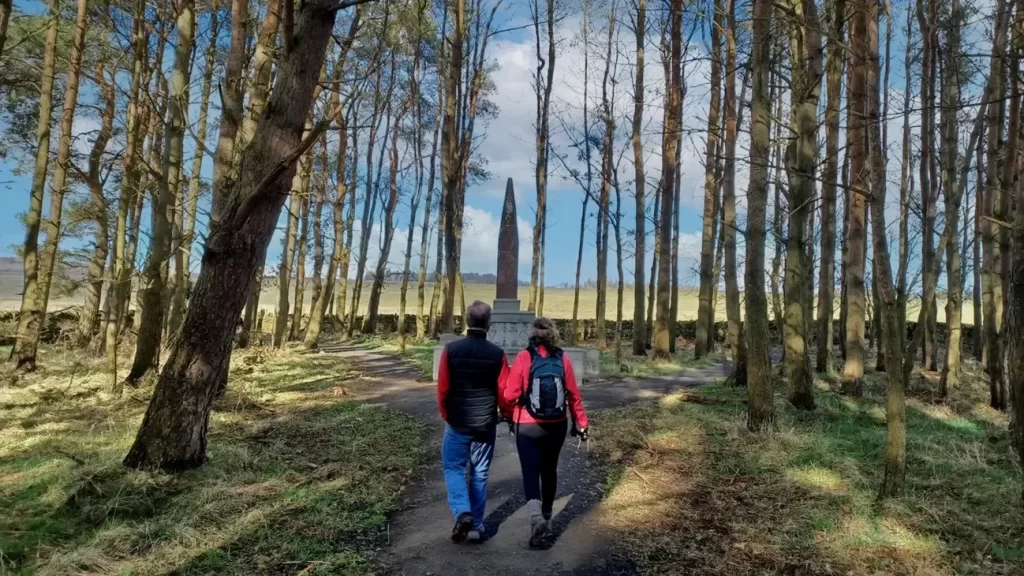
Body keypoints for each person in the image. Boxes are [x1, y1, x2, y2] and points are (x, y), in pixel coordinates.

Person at [501, 317, 589, 547]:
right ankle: (548, 517)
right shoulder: (563, 358)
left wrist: (510, 413)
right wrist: (582, 422)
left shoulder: (523, 357)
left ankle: (535, 517)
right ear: (552, 334)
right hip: (556, 424)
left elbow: (510, 396)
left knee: (530, 472)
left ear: (531, 335)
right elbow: (573, 394)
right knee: (549, 470)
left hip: (527, 424)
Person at [436, 301, 510, 543]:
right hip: (485, 425)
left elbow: (443, 388)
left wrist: (446, 414)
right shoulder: (497, 354)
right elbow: (504, 393)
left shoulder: (451, 350)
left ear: (466, 321)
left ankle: (462, 512)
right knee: (479, 473)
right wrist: (505, 414)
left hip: (457, 422)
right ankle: (476, 525)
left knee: (454, 468)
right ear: (489, 324)